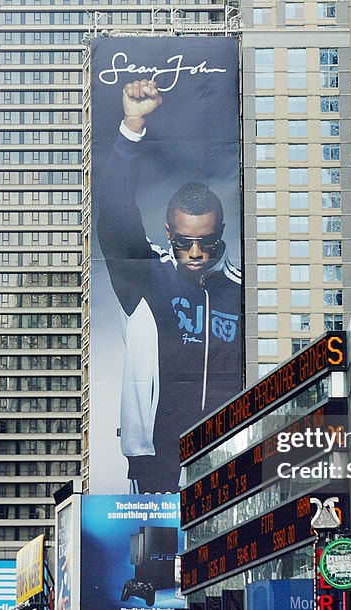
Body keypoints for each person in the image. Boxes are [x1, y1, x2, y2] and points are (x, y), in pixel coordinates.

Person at [98, 79, 243, 493]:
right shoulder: (147, 277)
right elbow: (115, 215)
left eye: (206, 242)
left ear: (221, 233)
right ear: (168, 233)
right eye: (183, 241)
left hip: (228, 458)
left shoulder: (242, 293)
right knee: (153, 540)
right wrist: (132, 128)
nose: (195, 252)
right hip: (155, 464)